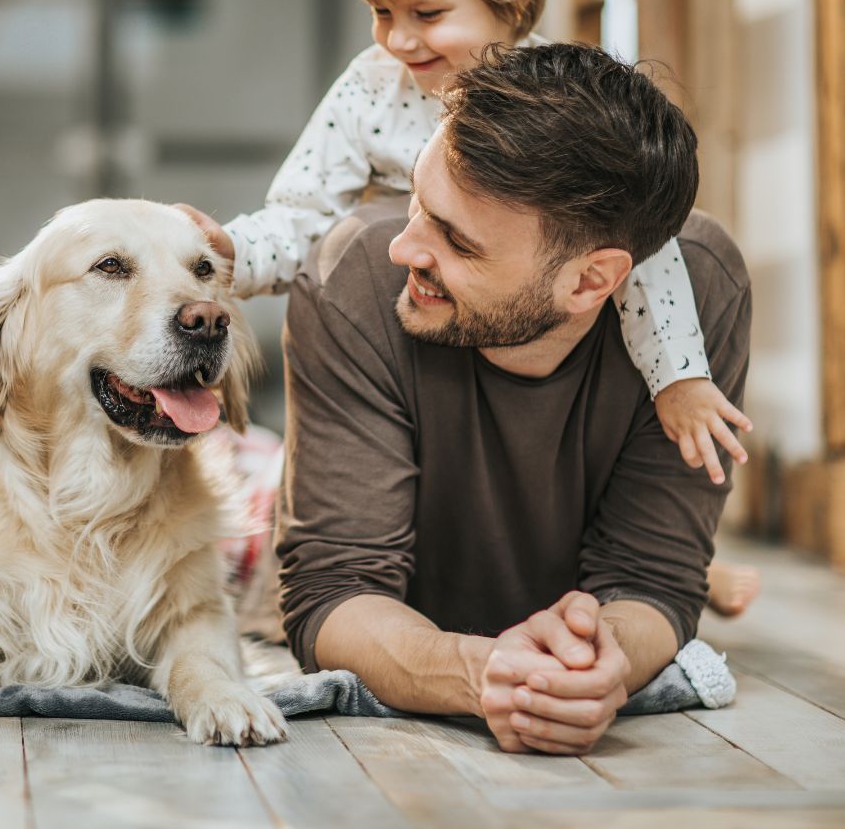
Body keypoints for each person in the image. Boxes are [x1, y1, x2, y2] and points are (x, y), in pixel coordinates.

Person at [181, 0, 758, 615]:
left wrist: (679, 377)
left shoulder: (560, 112)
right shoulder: (373, 90)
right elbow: (301, 212)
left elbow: (640, 246)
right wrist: (231, 254)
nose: (396, 39)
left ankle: (686, 565)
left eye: (425, 13)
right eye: (380, 12)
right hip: (429, 354)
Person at [278, 41, 751, 755]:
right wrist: (482, 672)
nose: (404, 249)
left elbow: (651, 579)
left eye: (456, 242)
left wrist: (602, 663)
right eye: (416, 201)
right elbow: (332, 590)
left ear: (592, 282)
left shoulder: (704, 292)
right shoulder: (353, 279)